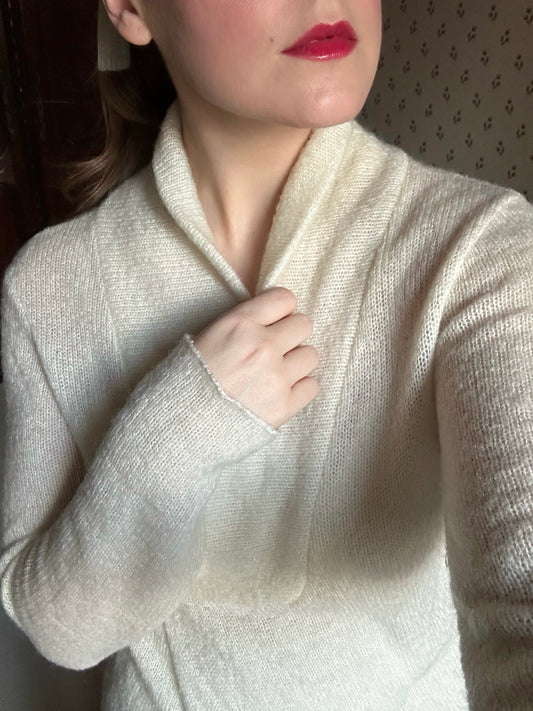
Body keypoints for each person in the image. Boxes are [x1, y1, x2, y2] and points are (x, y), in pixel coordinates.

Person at [1, 1, 532, 709]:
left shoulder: (481, 253)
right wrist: (176, 431)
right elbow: (60, 631)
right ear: (129, 9)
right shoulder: (47, 287)